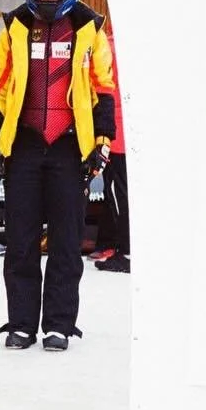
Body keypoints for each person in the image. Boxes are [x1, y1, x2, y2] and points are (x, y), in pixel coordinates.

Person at [0, 0, 116, 352]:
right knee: (20, 240)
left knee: (65, 241)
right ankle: (20, 324)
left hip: (70, 150)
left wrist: (102, 142)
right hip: (22, 147)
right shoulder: (15, 26)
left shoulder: (90, 28)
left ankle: (59, 325)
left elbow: (104, 89)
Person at [92, 23, 129, 274]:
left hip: (117, 135)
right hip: (128, 134)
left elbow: (99, 87)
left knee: (117, 193)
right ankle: (117, 247)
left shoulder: (111, 46)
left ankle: (125, 251)